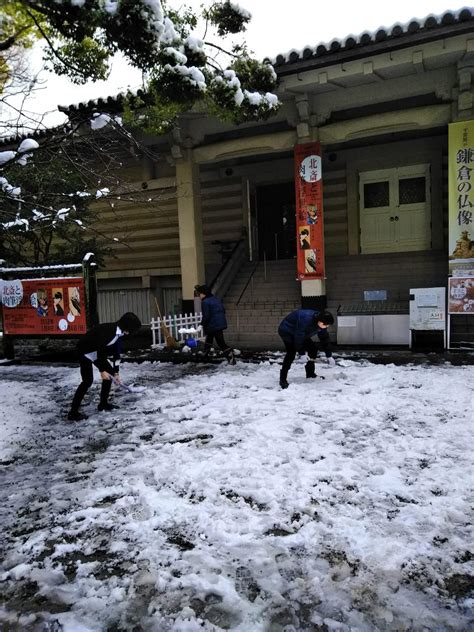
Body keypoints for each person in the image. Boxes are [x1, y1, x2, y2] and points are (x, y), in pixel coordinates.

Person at [67, 312, 142, 421]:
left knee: (110, 374)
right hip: (85, 351)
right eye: (133, 330)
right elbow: (99, 348)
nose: (132, 333)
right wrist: (102, 370)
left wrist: (116, 372)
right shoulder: (109, 331)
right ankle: (73, 413)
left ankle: (103, 404)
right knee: (87, 381)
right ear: (127, 327)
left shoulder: (119, 333)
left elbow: (116, 353)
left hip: (97, 353)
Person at [278, 308, 335, 388]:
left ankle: (310, 373)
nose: (325, 327)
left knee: (313, 349)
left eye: (327, 325)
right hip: (287, 331)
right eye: (325, 325)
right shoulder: (305, 319)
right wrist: (302, 353)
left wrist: (329, 355)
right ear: (320, 321)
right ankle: (283, 379)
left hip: (300, 332)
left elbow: (324, 338)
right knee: (291, 352)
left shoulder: (322, 323)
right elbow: (299, 336)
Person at [195, 284, 236, 365]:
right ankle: (204, 356)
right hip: (218, 323)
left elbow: (206, 316)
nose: (199, 295)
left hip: (214, 325)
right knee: (209, 338)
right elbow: (223, 310)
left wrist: (201, 325)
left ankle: (231, 358)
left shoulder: (205, 302)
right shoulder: (215, 299)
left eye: (200, 293)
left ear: (204, 293)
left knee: (221, 343)